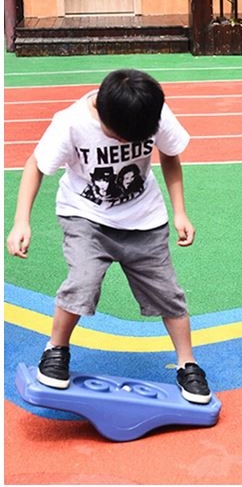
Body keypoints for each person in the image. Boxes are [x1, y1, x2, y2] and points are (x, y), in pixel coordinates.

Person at [6, 69, 211, 404]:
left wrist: (180, 211)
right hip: (85, 216)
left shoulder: (150, 109)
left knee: (168, 293)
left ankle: (188, 364)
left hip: (145, 219)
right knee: (82, 282)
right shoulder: (71, 123)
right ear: (102, 115)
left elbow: (170, 155)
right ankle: (56, 349)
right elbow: (35, 165)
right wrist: (21, 221)